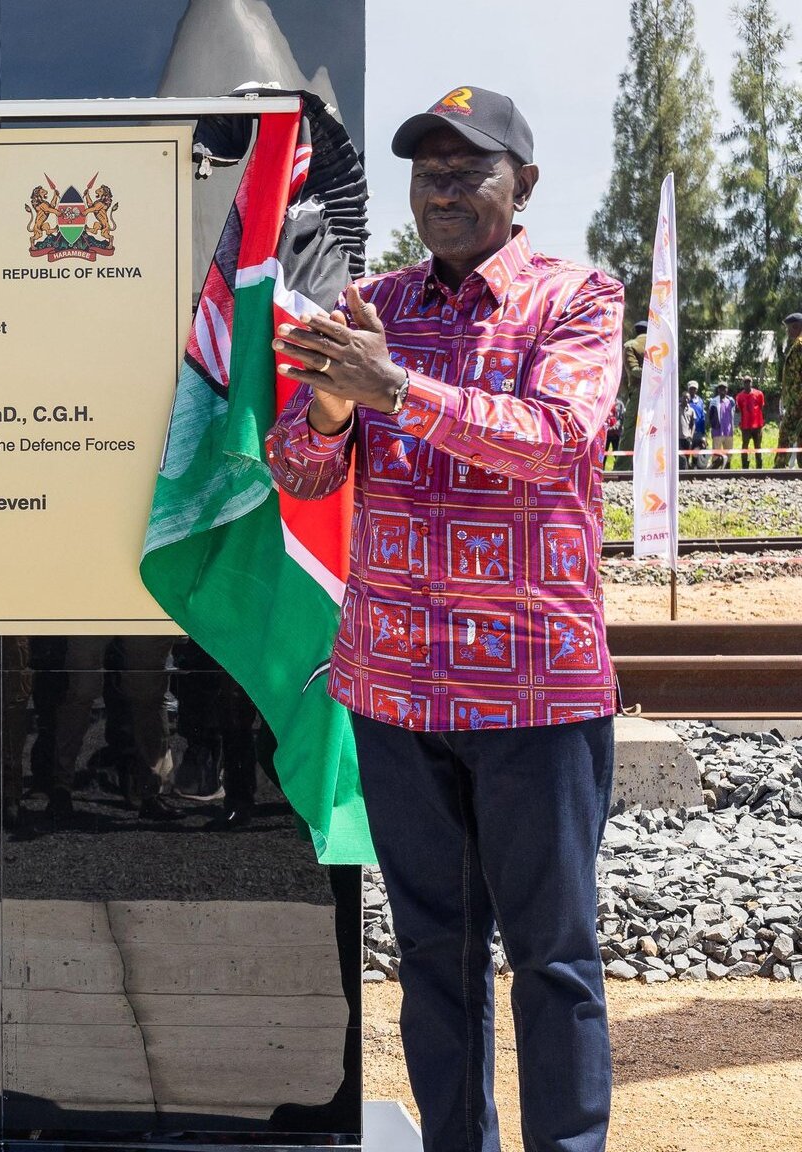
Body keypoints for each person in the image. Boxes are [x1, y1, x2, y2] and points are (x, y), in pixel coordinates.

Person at [265, 88, 618, 1151]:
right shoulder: (373, 305)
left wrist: (394, 387)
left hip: (532, 694)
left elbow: (553, 437)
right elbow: (296, 466)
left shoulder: (574, 299)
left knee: (552, 957)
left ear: (524, 187)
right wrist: (332, 404)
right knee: (431, 953)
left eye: (469, 170)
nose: (444, 189)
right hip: (394, 690)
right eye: (427, 172)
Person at [781, 313, 802, 467]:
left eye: (789, 329)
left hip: (798, 402)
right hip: (796, 401)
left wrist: (797, 401)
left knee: (785, 435)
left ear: (797, 327)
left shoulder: (800, 346)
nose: (787, 333)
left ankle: (778, 469)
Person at [740, 373, 768, 469]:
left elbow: (761, 407)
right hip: (746, 426)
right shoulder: (739, 396)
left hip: (757, 425)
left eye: (749, 382)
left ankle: (759, 466)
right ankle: (744, 466)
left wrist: (761, 421)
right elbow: (740, 409)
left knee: (758, 446)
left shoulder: (759, 394)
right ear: (743, 384)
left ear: (752, 383)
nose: (747, 384)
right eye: (745, 382)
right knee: (745, 445)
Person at [711, 382, 736, 471]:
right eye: (720, 388)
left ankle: (727, 472)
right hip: (717, 431)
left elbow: (733, 413)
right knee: (716, 455)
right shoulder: (713, 401)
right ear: (718, 390)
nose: (722, 390)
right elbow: (710, 416)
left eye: (724, 388)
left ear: (727, 390)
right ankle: (714, 472)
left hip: (728, 431)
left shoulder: (731, 401)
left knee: (729, 454)